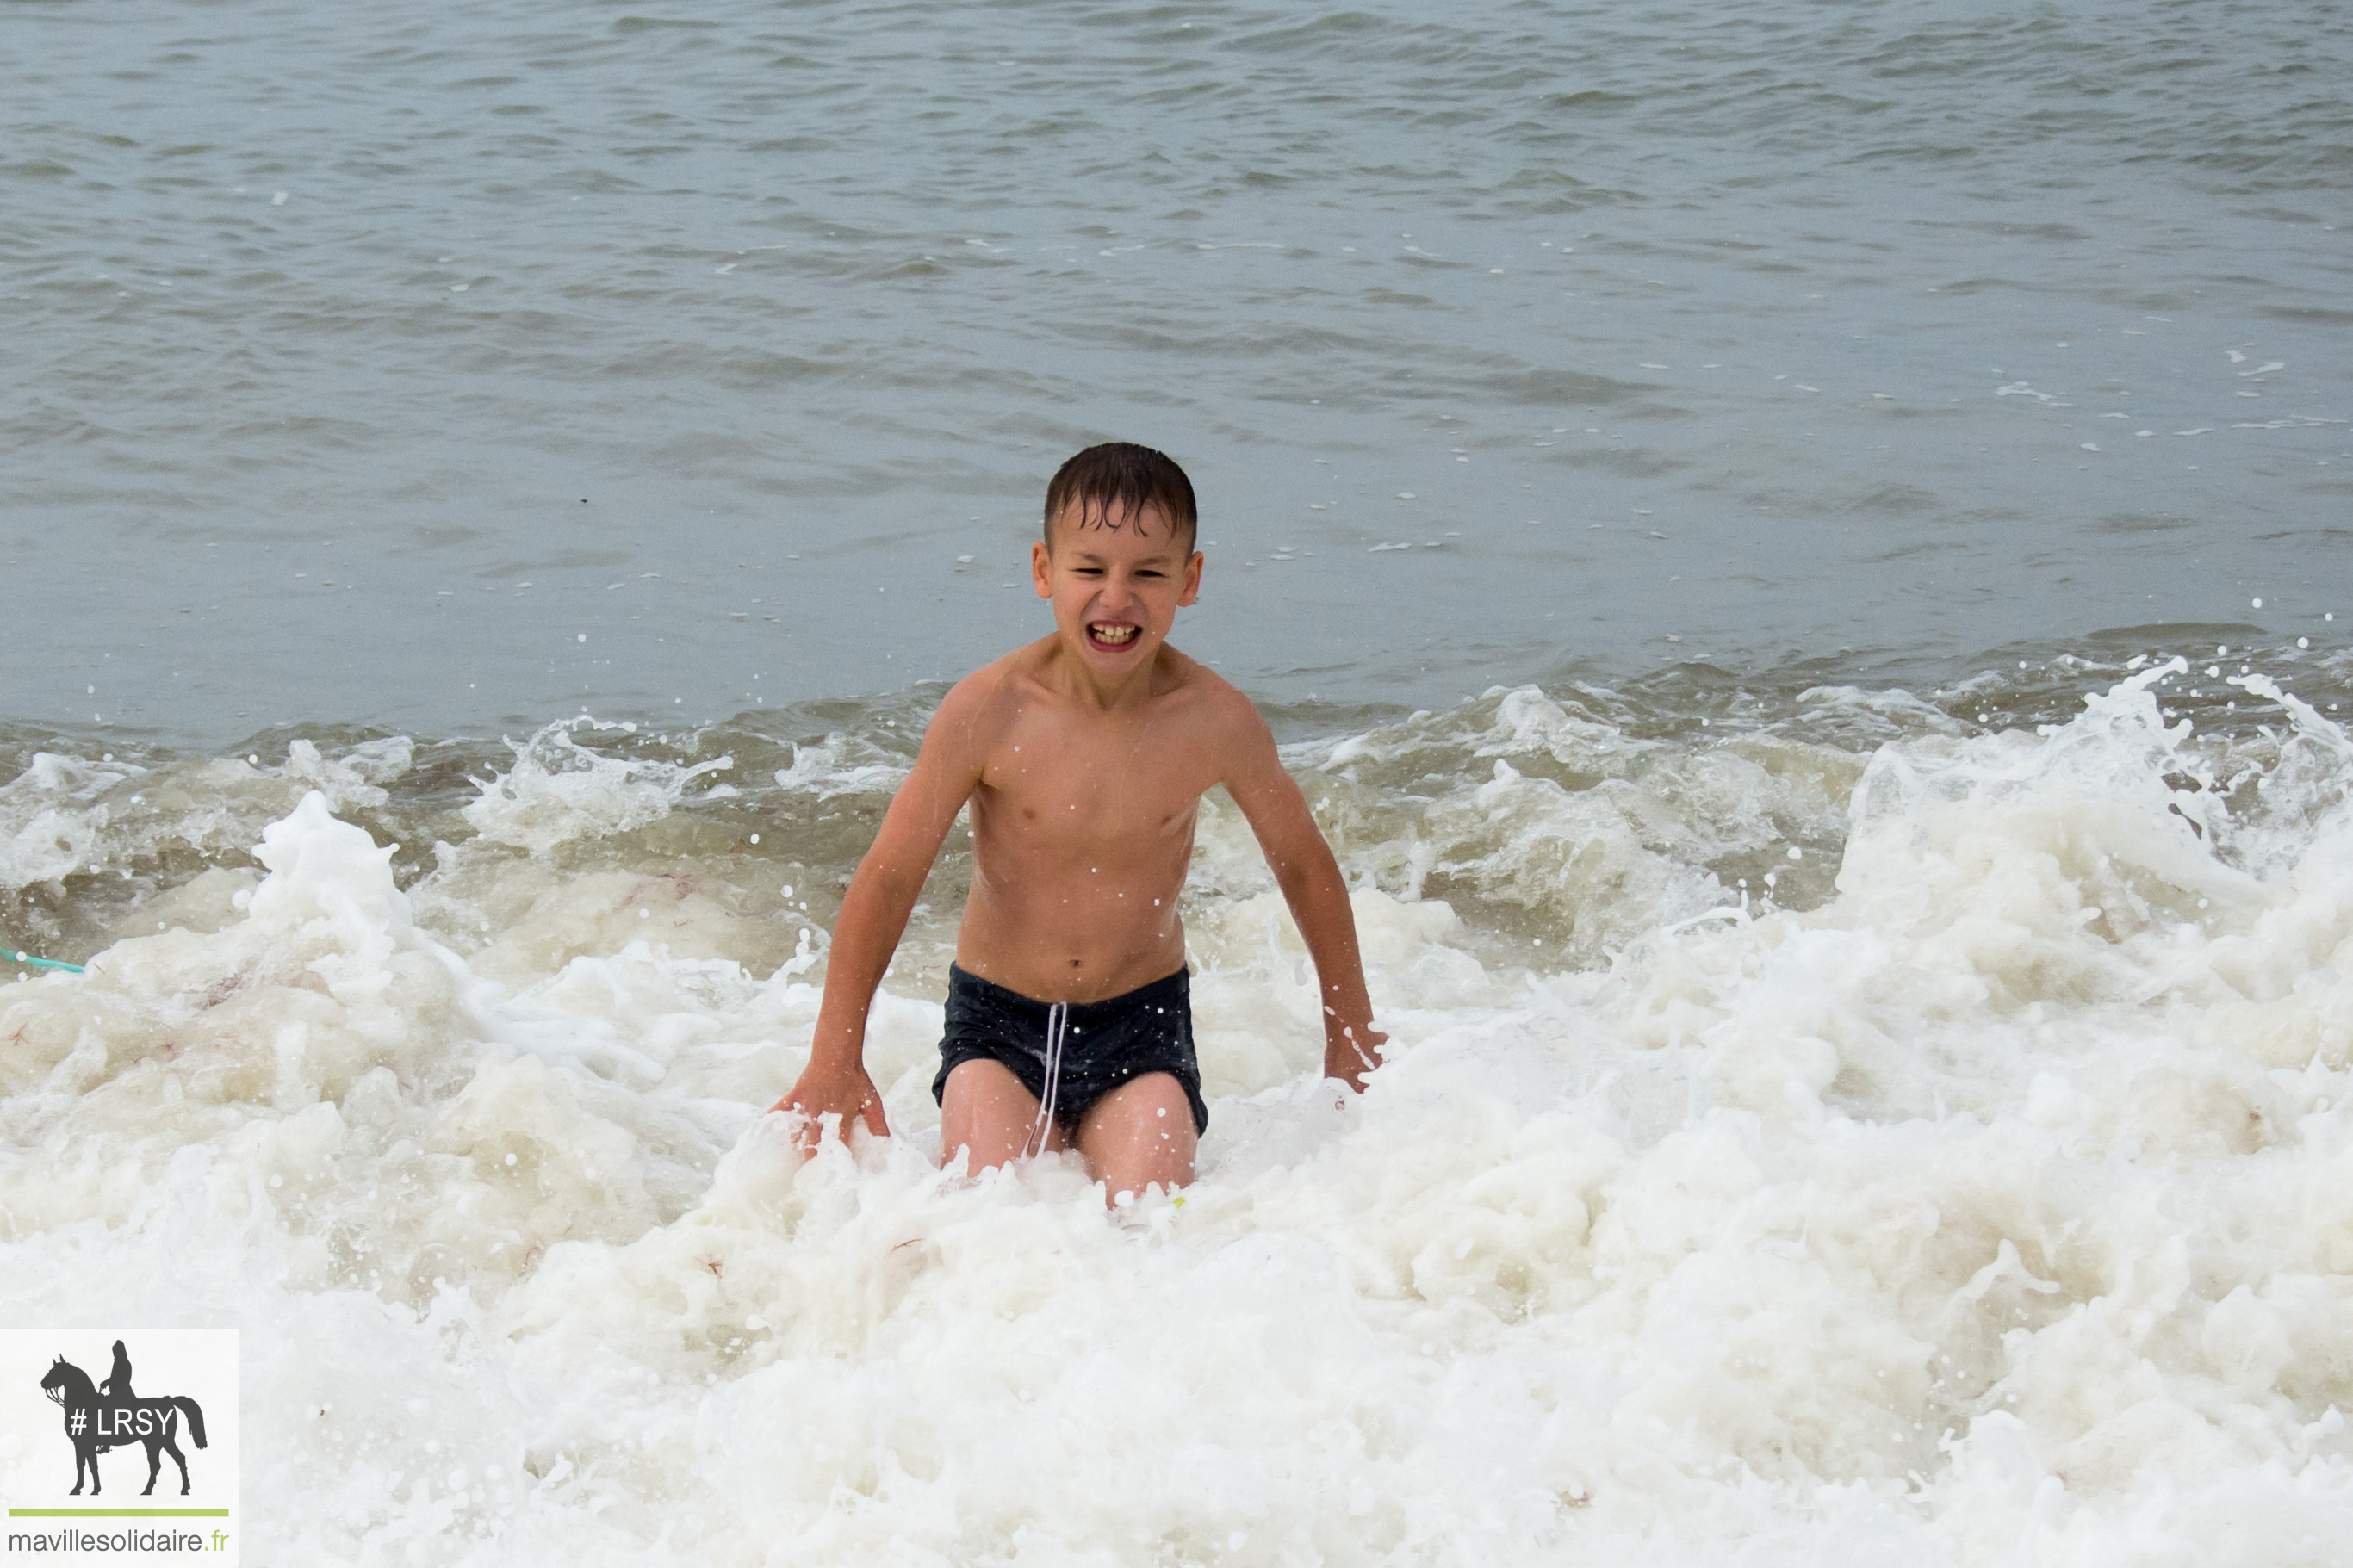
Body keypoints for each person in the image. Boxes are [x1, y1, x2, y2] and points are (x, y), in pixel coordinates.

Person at [773, 442, 1385, 1202]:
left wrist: (1350, 1035)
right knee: (991, 1215)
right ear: (1044, 571)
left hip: (1144, 1028)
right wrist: (836, 1052)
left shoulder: (1215, 721)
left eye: (1149, 573)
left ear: (1189, 580)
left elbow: (1302, 862)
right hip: (997, 1028)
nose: (1116, 598)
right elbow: (892, 874)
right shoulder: (990, 709)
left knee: (1150, 1216)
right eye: (1090, 569)